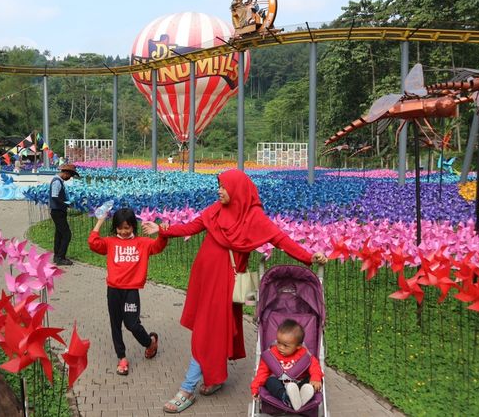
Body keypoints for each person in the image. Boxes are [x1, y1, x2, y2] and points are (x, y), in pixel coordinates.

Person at [142, 169, 327, 414]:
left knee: (208, 333)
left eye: (223, 186)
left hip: (230, 282)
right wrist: (163, 231)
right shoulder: (215, 210)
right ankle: (216, 377)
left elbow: (281, 239)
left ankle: (186, 389)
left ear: (237, 188)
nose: (219, 191)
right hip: (206, 280)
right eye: (218, 186)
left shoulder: (255, 218)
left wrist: (309, 256)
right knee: (219, 329)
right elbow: (193, 227)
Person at [88, 208, 168, 376]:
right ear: (115, 227)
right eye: (120, 228)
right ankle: (122, 358)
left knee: (132, 324)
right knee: (115, 324)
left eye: (127, 228)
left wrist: (162, 231)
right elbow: (93, 243)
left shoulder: (143, 243)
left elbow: (158, 246)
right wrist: (100, 220)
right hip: (113, 290)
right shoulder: (110, 242)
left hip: (131, 290)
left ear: (133, 226)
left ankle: (149, 342)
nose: (124, 232)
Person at [250, 319, 323, 411]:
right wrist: (255, 388)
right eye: (278, 342)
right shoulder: (271, 355)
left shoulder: (304, 354)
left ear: (298, 346)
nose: (280, 347)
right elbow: (262, 373)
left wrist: (316, 378)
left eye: (286, 345)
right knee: (270, 381)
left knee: (312, 380)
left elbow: (315, 366)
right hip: (280, 385)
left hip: (299, 383)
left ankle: (302, 395)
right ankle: (286, 397)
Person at [50, 163, 80, 266]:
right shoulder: (57, 182)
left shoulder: (59, 181)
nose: (70, 178)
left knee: (59, 234)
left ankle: (57, 256)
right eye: (70, 176)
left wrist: (66, 203)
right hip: (57, 211)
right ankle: (60, 257)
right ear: (66, 173)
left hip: (59, 211)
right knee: (67, 234)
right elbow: (54, 196)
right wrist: (66, 204)